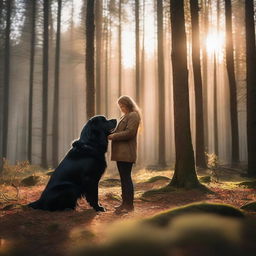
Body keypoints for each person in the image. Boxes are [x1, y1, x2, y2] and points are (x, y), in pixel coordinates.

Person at [108, 95, 141, 213]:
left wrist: (113, 136)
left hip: (127, 152)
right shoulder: (125, 116)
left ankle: (129, 205)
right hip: (121, 153)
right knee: (123, 178)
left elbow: (130, 133)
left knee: (126, 178)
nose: (121, 108)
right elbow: (119, 131)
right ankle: (124, 204)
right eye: (120, 106)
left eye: (122, 105)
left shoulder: (133, 115)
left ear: (128, 104)